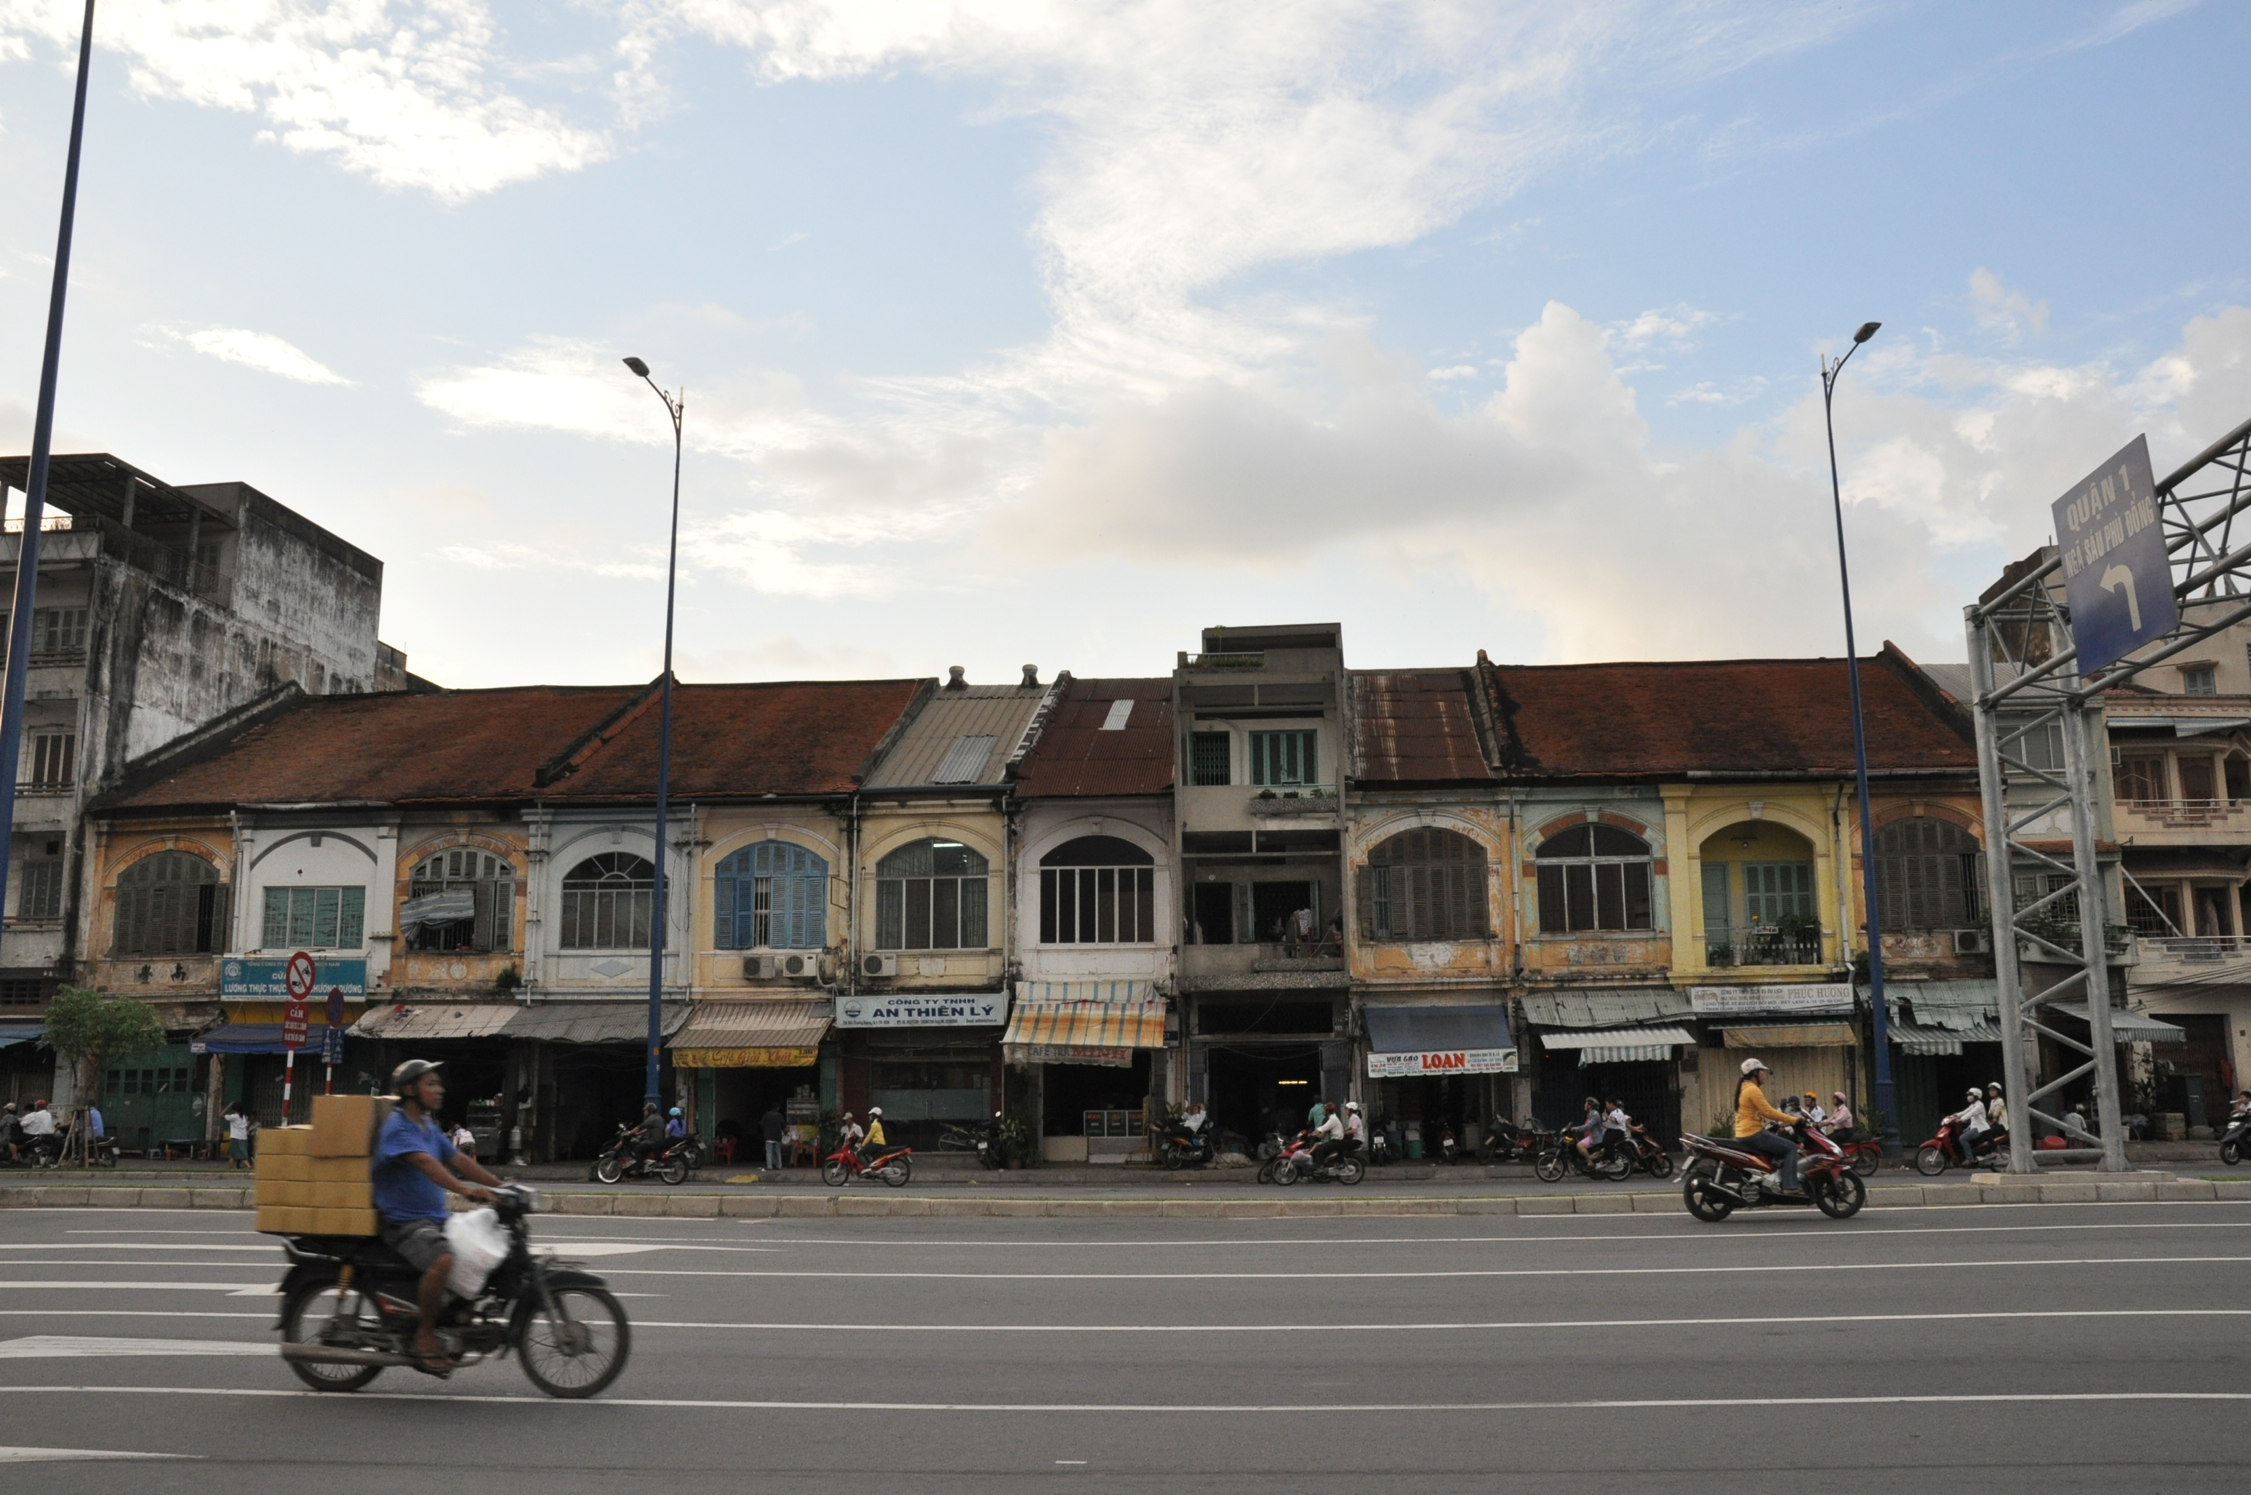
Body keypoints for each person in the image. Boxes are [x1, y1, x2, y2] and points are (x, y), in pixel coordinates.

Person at [371, 1059, 501, 1372]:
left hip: (432, 1219)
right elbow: (426, 1163)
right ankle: (424, 1334)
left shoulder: (428, 1126)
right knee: (442, 1259)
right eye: (431, 1083)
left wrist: (503, 1186)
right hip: (403, 1222)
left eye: (438, 1083)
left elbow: (457, 1159)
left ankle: (450, 1316)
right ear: (408, 1090)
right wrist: (465, 1191)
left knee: (476, 1250)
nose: (439, 1089)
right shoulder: (399, 1127)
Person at [1734, 1059, 1802, 1194]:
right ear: (1755, 1073)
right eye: (1762, 1071)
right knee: (1791, 1147)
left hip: (1744, 1133)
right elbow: (1768, 1112)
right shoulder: (1753, 1090)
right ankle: (1790, 1186)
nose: (1764, 1074)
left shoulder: (1744, 1088)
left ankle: (1774, 1180)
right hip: (1753, 1134)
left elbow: (1757, 1114)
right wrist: (1794, 1120)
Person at [1948, 1087, 1990, 1163]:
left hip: (1979, 1128)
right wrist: (1953, 1116)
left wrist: (1961, 1119)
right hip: (1973, 1127)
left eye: (1971, 1094)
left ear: (1976, 1096)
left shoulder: (1979, 1105)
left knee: (1962, 1138)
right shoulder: (1973, 1105)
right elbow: (1965, 1112)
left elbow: (1971, 1113)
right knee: (1959, 1135)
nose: (1969, 1096)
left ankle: (1970, 1158)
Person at [1309, 1102, 1347, 1169]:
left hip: (1336, 1141)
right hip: (1336, 1141)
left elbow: (1323, 1128)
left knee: (1320, 1148)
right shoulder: (1332, 1118)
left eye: (1324, 1109)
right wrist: (1315, 1133)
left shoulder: (1332, 1119)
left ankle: (1320, 1167)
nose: (1323, 1111)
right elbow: (1324, 1130)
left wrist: (1314, 1133)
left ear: (1327, 1111)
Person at [1574, 1096, 1605, 1166]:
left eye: (1586, 1103)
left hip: (1596, 1137)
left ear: (1590, 1106)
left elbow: (1588, 1126)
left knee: (1579, 1145)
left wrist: (1576, 1128)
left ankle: (1589, 1162)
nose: (1584, 1105)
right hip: (1592, 1135)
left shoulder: (1594, 1114)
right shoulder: (1591, 1114)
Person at [1983, 1083, 2011, 1153]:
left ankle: (1993, 1151)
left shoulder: (2000, 1101)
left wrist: (1991, 1115)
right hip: (1995, 1124)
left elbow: (1994, 1114)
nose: (1991, 1092)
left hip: (2002, 1125)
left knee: (1988, 1133)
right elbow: (1989, 1114)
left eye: (1993, 1090)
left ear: (1998, 1091)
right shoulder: (1992, 1101)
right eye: (1990, 1090)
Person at [225, 1103, 251, 1169]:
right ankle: (249, 1166)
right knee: (242, 1155)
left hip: (235, 1137)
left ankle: (231, 1169)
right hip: (243, 1138)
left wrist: (228, 1106)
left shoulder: (234, 1116)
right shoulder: (245, 1117)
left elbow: (221, 1115)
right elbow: (246, 1126)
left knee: (232, 1155)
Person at [761, 1104, 786, 1170]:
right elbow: (783, 1125)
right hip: (777, 1136)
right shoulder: (779, 1115)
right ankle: (779, 1165)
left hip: (768, 1136)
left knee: (769, 1152)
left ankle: (769, 1166)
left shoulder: (766, 1115)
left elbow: (762, 1124)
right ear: (777, 1108)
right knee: (777, 1152)